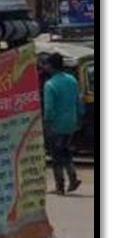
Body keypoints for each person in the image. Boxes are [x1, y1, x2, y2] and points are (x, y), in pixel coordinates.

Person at [41, 51, 83, 194]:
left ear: (51, 66)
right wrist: (78, 118)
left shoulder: (50, 84)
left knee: (56, 156)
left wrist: (46, 125)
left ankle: (60, 186)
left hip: (56, 125)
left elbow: (49, 109)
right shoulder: (72, 80)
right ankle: (73, 178)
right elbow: (78, 102)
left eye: (46, 64)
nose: (44, 67)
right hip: (71, 123)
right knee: (65, 151)